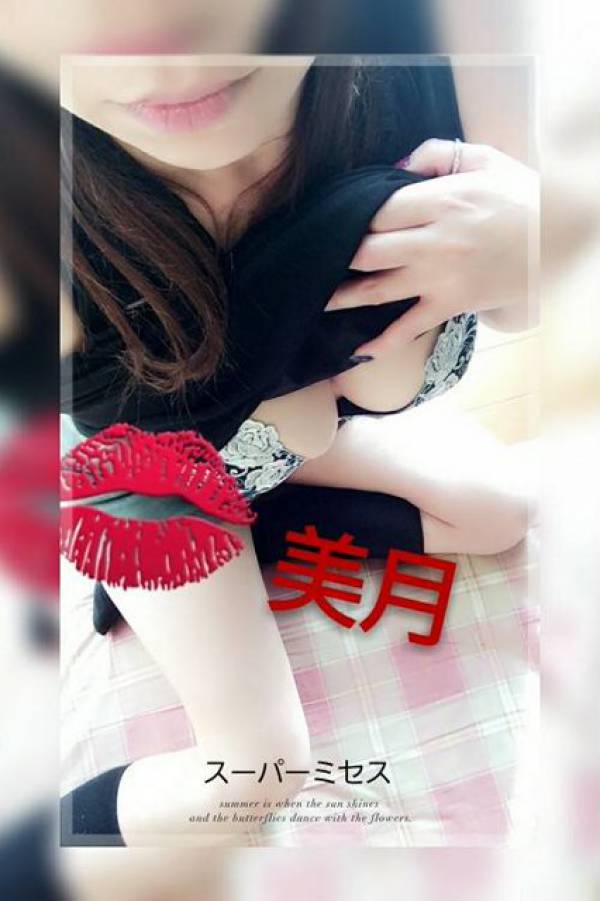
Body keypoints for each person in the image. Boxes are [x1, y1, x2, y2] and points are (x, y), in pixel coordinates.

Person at [60, 57, 536, 846]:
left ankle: (253, 528)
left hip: (279, 454)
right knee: (260, 769)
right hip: (155, 480)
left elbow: (526, 303)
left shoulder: (434, 68)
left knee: (501, 509)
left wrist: (534, 226)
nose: (171, 56)